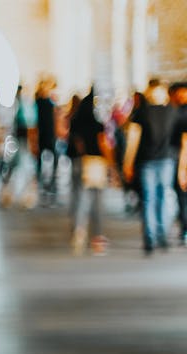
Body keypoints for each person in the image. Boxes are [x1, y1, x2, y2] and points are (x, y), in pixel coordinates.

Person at [124, 79, 178, 254]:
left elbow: (133, 138)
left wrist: (128, 162)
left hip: (147, 160)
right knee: (164, 196)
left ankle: (150, 237)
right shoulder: (172, 111)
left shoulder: (141, 112)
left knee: (149, 198)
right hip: (167, 160)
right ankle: (162, 234)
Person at [67, 88, 114, 255]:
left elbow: (72, 141)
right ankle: (97, 237)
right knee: (97, 201)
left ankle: (78, 233)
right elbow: (104, 145)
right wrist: (112, 165)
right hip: (96, 164)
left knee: (80, 199)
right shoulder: (97, 124)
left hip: (79, 162)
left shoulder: (75, 121)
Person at [35, 80, 60, 202]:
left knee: (52, 158)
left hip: (49, 134)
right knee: (40, 159)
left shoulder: (49, 102)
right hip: (43, 134)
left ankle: (50, 181)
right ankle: (42, 181)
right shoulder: (39, 102)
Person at [172, 81, 187, 244]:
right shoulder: (175, 112)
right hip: (179, 155)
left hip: (181, 155)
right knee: (182, 195)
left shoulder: (176, 113)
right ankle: (184, 227)